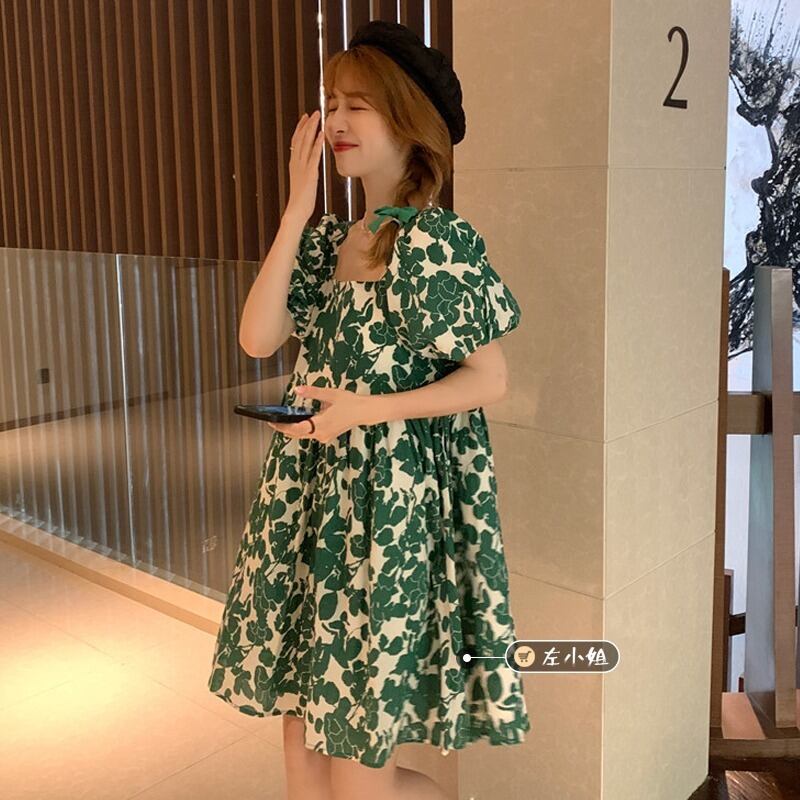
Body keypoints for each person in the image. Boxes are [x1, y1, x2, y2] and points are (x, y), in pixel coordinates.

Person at [207, 20, 530, 800]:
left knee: (357, 768)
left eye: (360, 104)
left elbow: (489, 378)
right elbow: (257, 338)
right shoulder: (330, 242)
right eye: (332, 102)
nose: (338, 121)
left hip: (386, 519)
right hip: (312, 504)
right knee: (303, 756)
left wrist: (365, 410)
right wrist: (295, 210)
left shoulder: (431, 242)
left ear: (408, 121)